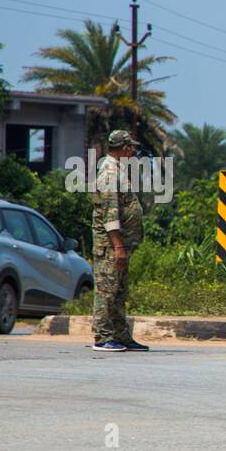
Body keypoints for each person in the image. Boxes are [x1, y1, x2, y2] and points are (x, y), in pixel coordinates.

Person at [91, 130, 148, 352]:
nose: (133, 150)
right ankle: (103, 337)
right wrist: (118, 246)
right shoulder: (108, 172)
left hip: (120, 243)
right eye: (131, 147)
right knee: (107, 291)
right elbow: (110, 214)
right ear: (123, 148)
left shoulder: (119, 169)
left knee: (119, 291)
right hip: (110, 245)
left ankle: (121, 336)